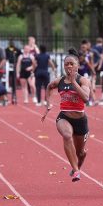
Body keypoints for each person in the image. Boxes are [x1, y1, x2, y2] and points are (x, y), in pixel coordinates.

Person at [41, 48, 91, 182]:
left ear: (77, 66)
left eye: (71, 64)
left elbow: (86, 98)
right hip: (64, 117)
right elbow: (49, 86)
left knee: (80, 153)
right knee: (67, 135)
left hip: (80, 120)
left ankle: (78, 163)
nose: (69, 66)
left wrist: (74, 82)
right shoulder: (59, 81)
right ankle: (76, 171)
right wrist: (48, 104)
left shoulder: (83, 81)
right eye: (66, 64)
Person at [5, 39, 22, 104]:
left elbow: (21, 55)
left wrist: (17, 60)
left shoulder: (17, 50)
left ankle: (14, 92)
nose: (11, 43)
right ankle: (8, 89)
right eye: (10, 42)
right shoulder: (6, 49)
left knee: (14, 79)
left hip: (15, 66)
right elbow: (5, 57)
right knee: (7, 79)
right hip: (8, 66)